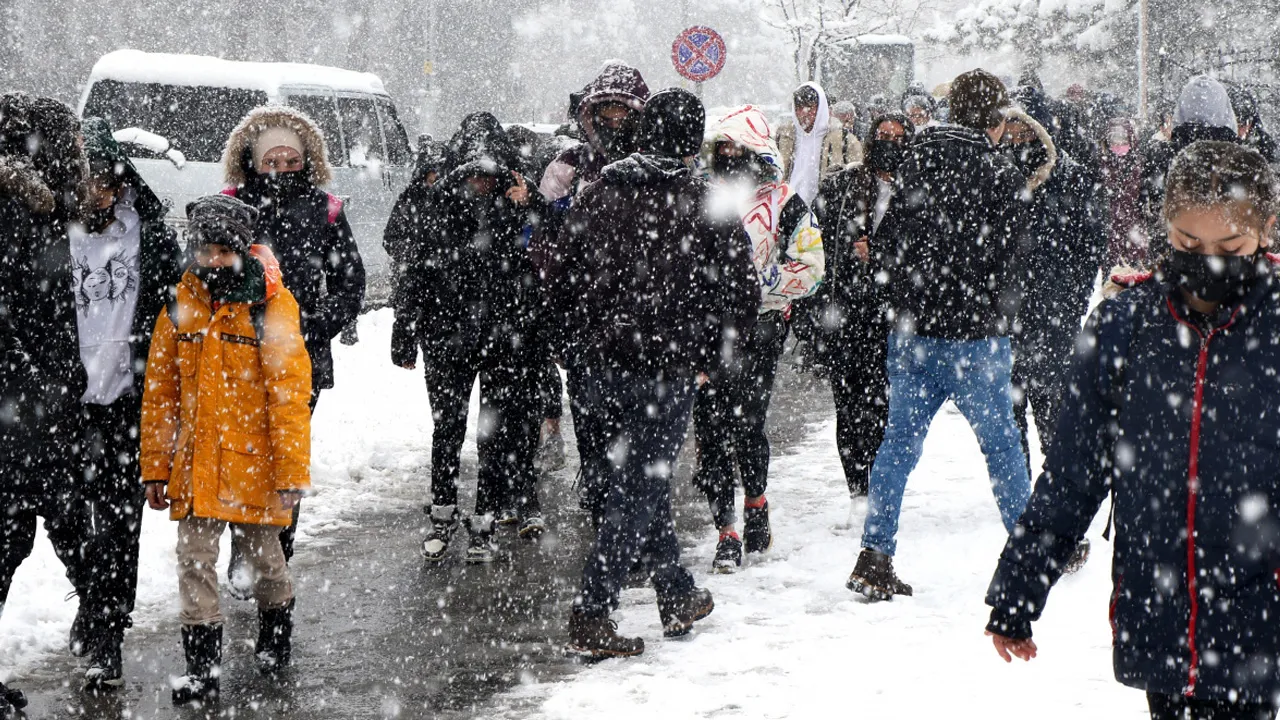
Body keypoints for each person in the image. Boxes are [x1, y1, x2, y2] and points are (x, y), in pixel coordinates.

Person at [985, 140, 1280, 720]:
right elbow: (1072, 475)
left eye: (1230, 247)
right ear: (1165, 228)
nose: (1208, 261)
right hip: (1159, 605)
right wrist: (1019, 588)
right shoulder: (1125, 327)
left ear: (1265, 234)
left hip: (1258, 608)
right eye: (1189, 244)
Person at [538, 88, 759, 658]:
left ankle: (676, 592)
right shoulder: (704, 200)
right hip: (667, 367)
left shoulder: (599, 194)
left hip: (599, 367)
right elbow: (741, 293)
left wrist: (574, 346)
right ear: (692, 138)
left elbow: (554, 277)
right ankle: (593, 609)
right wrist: (713, 358)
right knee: (640, 487)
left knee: (634, 482)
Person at [846, 70, 1030, 601]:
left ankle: (875, 554)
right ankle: (1028, 552)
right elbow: (1016, 265)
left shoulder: (916, 163)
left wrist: (907, 301)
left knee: (897, 446)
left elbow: (886, 247)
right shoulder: (1000, 176)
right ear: (994, 122)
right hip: (977, 338)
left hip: (914, 335)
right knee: (1002, 448)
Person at [141, 195, 311, 705]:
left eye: (222, 250)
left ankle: (276, 633)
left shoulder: (272, 305)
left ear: (240, 249)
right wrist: (156, 465)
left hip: (253, 464)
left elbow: (289, 396)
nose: (212, 260)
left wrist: (290, 475)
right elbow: (161, 392)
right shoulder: (180, 303)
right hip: (195, 466)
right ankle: (202, 670)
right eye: (204, 250)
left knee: (266, 561)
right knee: (194, 561)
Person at [392, 112, 548, 562]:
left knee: (493, 434)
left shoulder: (518, 204)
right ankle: (442, 512)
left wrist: (531, 205)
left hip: (504, 336)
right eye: (472, 173)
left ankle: (483, 519)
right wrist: (405, 329)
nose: (480, 182)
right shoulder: (437, 203)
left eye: (488, 173)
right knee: (448, 427)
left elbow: (548, 258)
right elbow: (413, 271)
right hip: (447, 335)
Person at [220, 105, 365, 590]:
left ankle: (278, 550)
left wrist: (314, 326)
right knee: (242, 451)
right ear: (252, 160)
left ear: (307, 158)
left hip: (300, 358)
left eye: (291, 160)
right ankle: (245, 547)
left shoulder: (326, 209)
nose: (281, 169)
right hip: (236, 354)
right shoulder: (230, 204)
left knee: (286, 454)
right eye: (270, 160)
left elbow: (350, 281)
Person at [70, 117, 183, 689]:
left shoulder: (150, 233)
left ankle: (107, 632)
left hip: (126, 402)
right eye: (84, 183)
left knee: (118, 522)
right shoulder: (48, 233)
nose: (95, 194)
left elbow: (174, 310)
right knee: (70, 521)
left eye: (104, 183)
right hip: (64, 404)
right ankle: (91, 603)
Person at [695, 105, 825, 572]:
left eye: (738, 147)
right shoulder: (703, 196)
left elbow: (811, 267)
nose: (729, 155)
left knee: (748, 422)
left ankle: (755, 502)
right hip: (707, 334)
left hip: (761, 330)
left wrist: (756, 287)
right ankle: (724, 528)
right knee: (709, 430)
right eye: (722, 146)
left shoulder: (786, 202)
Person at [0, 93, 91, 715]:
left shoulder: (52, 213)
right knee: (37, 533)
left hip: (40, 406)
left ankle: (101, 626)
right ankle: (102, 626)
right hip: (26, 410)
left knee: (48, 532)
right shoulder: (25, 214)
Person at [999, 108, 1104, 576]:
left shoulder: (1071, 178)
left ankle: (1052, 510)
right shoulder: (998, 175)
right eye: (1012, 129)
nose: (1019, 137)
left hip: (1052, 320)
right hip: (1005, 319)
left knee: (1055, 418)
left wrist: (1066, 303)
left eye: (1027, 128)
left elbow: (1089, 245)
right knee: (1007, 418)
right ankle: (1025, 509)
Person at [804, 113, 914, 505]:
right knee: (848, 406)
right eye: (883, 135)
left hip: (893, 318)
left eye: (898, 137)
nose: (889, 142)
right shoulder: (842, 185)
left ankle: (880, 486)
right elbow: (818, 249)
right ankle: (857, 488)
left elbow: (922, 254)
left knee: (884, 407)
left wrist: (880, 256)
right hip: (846, 314)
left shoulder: (917, 190)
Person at [777, 82, 861, 204]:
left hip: (825, 212)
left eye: (809, 107)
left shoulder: (844, 140)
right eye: (799, 108)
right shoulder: (783, 138)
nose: (803, 113)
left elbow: (857, 179)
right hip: (787, 211)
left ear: (820, 107)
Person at [1100, 117, 1149, 270]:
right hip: (1110, 228)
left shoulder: (1140, 164)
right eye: (1114, 139)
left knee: (1134, 273)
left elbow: (1143, 195)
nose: (1118, 144)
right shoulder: (1101, 164)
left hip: (1133, 228)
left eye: (1123, 139)